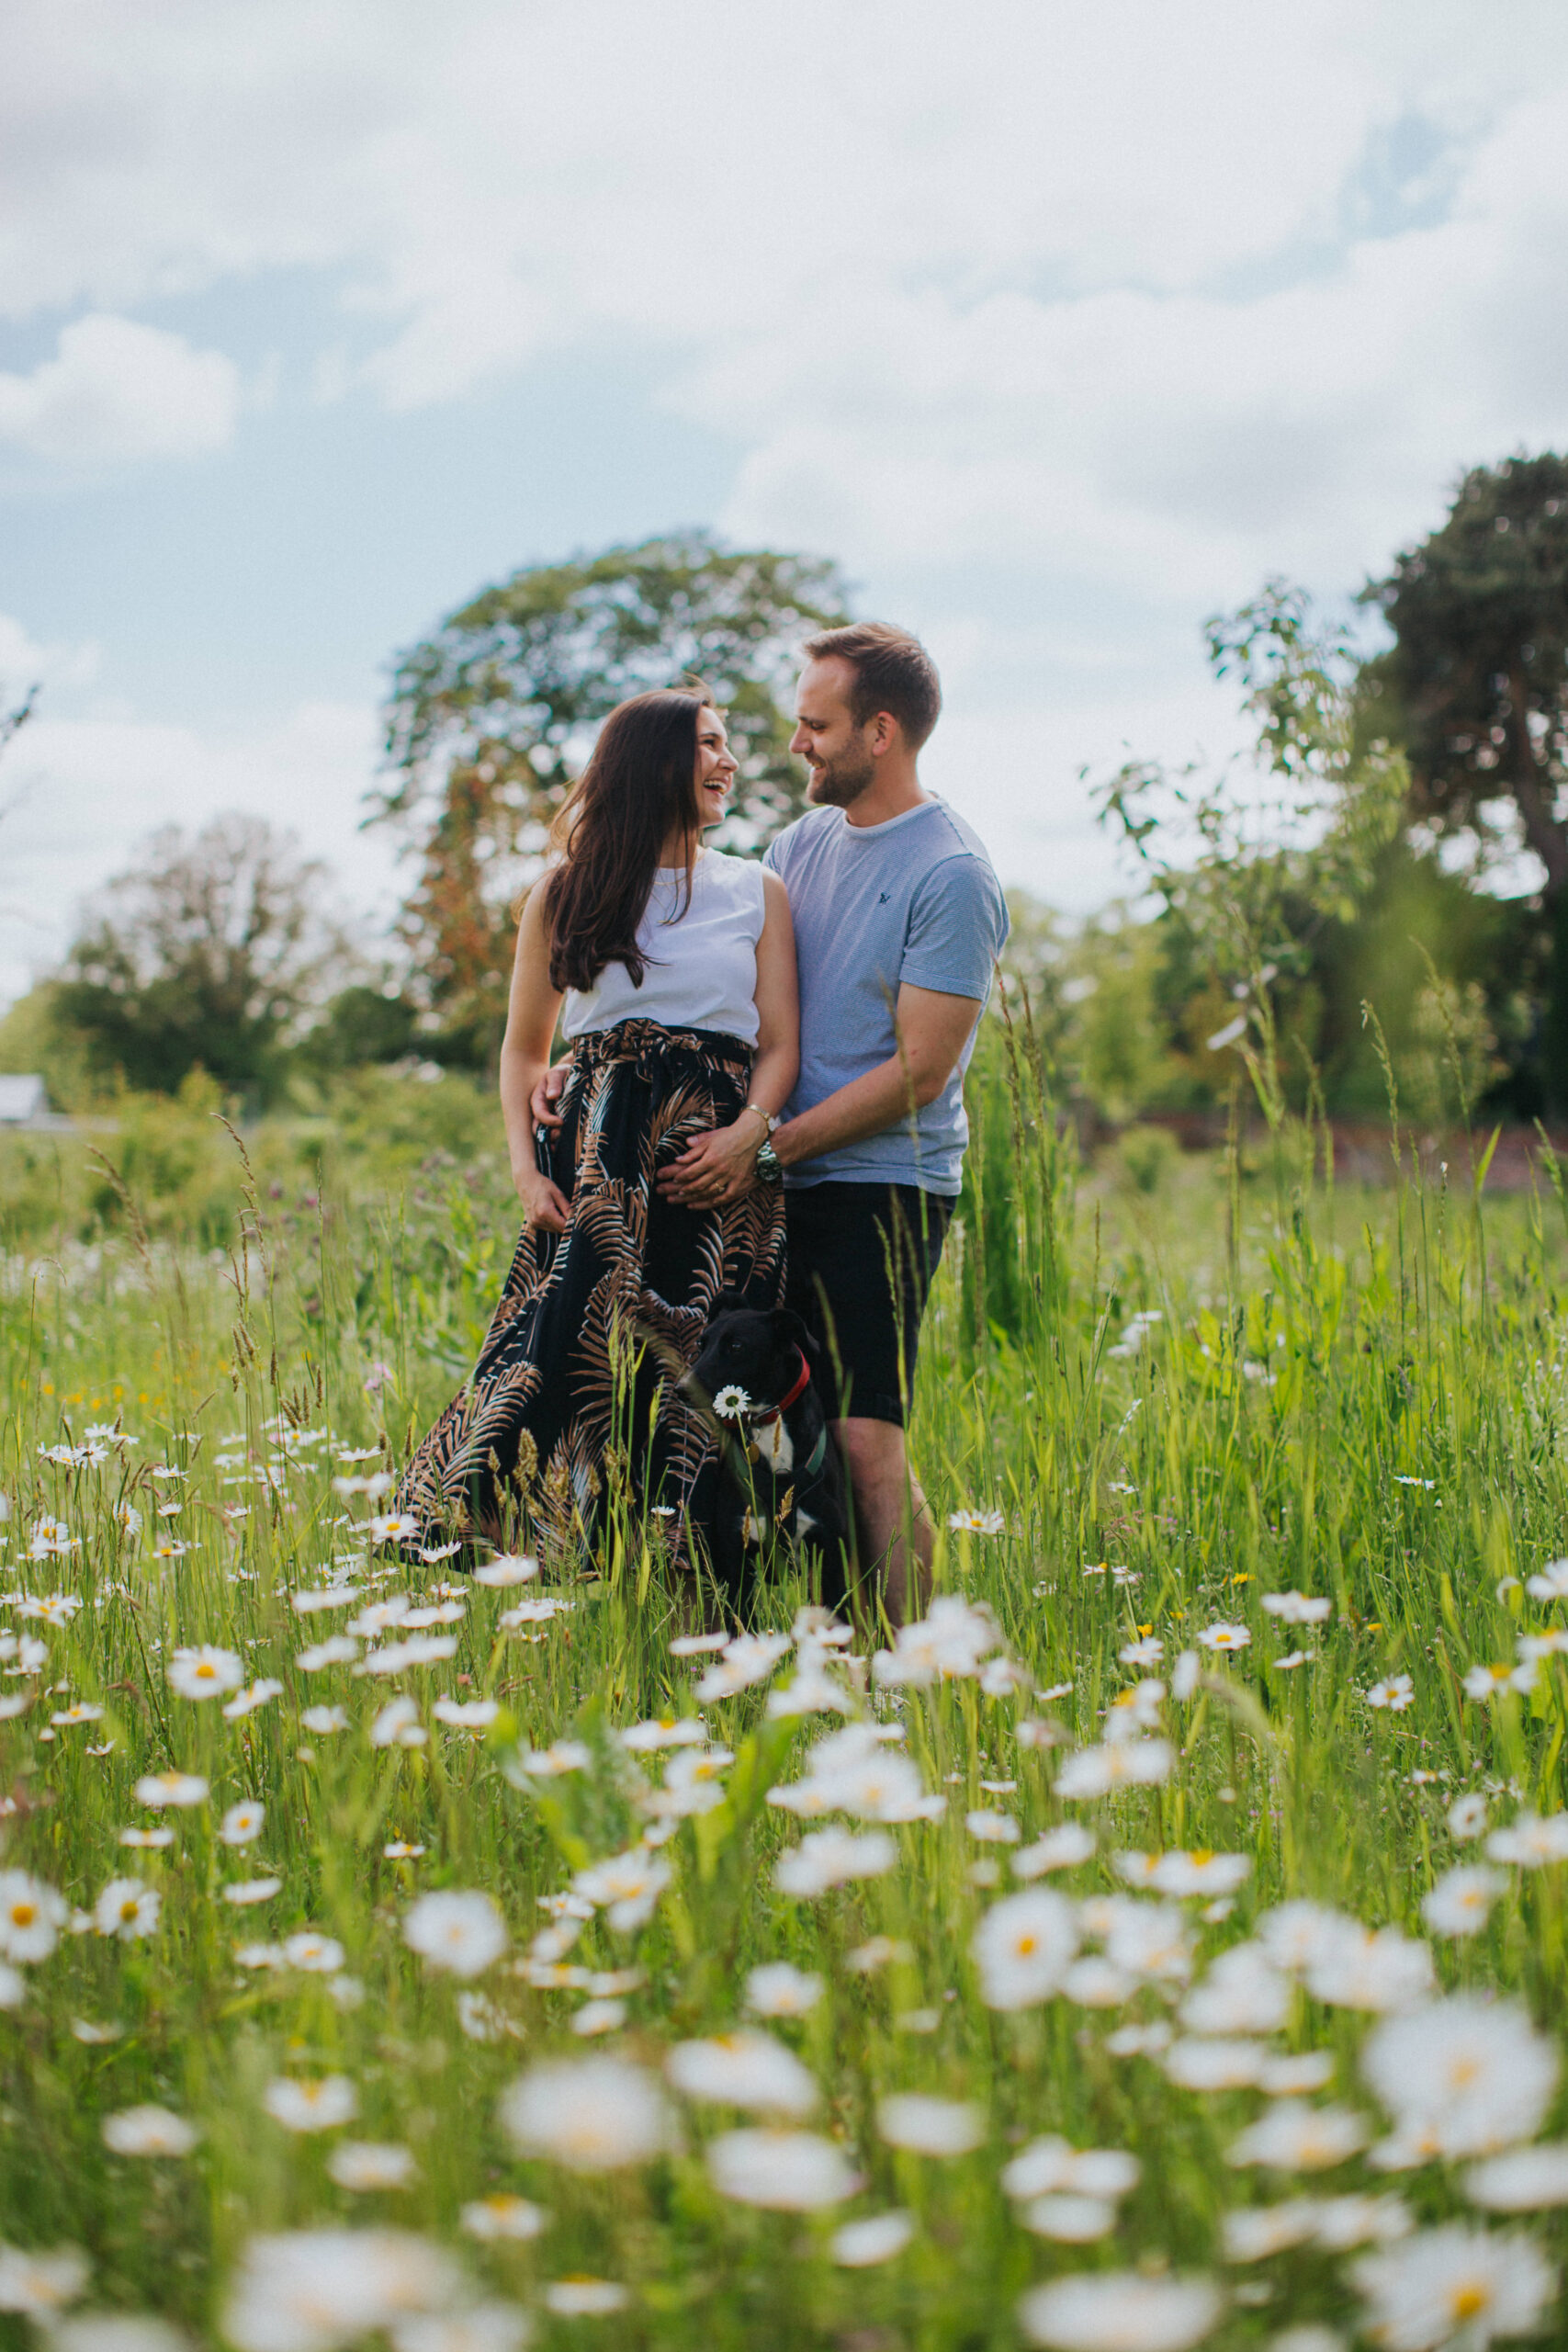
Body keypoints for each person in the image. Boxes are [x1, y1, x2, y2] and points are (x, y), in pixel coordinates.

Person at [396, 685, 798, 1555]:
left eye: (727, 745)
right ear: (653, 761)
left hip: (716, 1171)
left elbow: (781, 1048)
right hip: (599, 1171)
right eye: (709, 744)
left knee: (708, 1373)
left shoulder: (755, 888)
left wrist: (750, 1134)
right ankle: (523, 1553)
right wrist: (523, 1168)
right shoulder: (566, 891)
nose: (728, 762)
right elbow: (521, 1051)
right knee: (569, 1361)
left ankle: (715, 1574)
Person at [660, 623, 1008, 1622]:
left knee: (863, 1442)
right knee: (749, 1426)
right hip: (766, 1179)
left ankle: (904, 1677)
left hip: (882, 1189)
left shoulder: (951, 874)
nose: (796, 743)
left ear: (882, 732)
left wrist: (766, 1145)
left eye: (816, 725)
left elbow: (919, 1072)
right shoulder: (797, 846)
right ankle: (773, 1644)